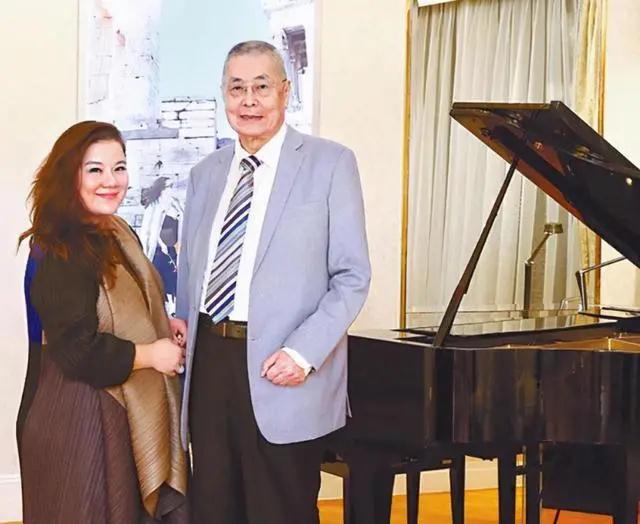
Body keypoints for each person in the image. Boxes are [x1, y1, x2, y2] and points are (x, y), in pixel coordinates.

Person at [174, 40, 371, 523]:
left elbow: (352, 276)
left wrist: (304, 353)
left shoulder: (330, 164)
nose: (249, 101)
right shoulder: (204, 175)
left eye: (261, 87)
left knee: (279, 511)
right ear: (224, 95)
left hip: (283, 367)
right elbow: (191, 268)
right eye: (236, 88)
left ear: (285, 91)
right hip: (210, 365)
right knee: (213, 509)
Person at [17, 121, 189, 523]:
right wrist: (152, 355)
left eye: (119, 167)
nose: (111, 181)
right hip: (75, 418)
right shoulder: (61, 246)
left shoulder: (114, 232)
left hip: (113, 407)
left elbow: (120, 307)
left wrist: (160, 323)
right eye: (95, 169)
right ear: (69, 175)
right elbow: (76, 350)